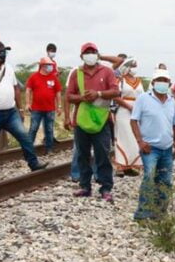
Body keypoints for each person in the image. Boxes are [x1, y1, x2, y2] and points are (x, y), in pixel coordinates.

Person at [0, 41, 48, 183]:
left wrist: (20, 109)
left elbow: (16, 89)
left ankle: (34, 164)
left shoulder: (8, 68)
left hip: (10, 112)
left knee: (24, 138)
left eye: (4, 52)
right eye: (0, 52)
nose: (3, 55)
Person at [64, 43, 124, 200]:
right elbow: (69, 96)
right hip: (81, 120)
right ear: (81, 56)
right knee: (82, 154)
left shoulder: (107, 71)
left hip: (102, 120)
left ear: (97, 54)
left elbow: (116, 91)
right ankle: (85, 186)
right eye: (87, 52)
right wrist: (82, 97)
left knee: (103, 153)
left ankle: (106, 187)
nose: (90, 54)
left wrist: (98, 94)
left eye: (93, 52)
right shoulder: (76, 73)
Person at [131, 68, 175, 220]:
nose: (162, 83)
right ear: (153, 83)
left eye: (165, 81)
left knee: (165, 181)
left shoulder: (172, 101)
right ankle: (142, 214)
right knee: (149, 177)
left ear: (169, 84)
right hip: (149, 148)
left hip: (166, 148)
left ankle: (159, 213)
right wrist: (140, 141)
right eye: (159, 80)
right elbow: (134, 120)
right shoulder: (143, 99)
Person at [25, 57, 63, 155]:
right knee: (33, 128)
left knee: (49, 129)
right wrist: (28, 103)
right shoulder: (34, 77)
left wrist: (59, 106)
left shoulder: (53, 78)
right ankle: (28, 150)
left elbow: (58, 92)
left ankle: (49, 149)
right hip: (36, 109)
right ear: (42, 66)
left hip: (50, 109)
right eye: (49, 65)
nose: (51, 67)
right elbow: (28, 90)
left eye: (51, 65)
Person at [113, 63, 146, 176]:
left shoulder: (139, 81)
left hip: (137, 112)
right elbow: (115, 96)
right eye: (132, 66)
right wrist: (128, 106)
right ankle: (120, 165)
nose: (134, 69)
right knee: (124, 136)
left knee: (134, 137)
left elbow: (143, 96)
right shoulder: (120, 80)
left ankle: (133, 164)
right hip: (123, 110)